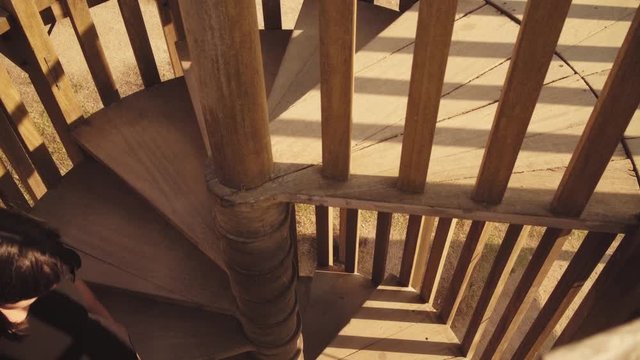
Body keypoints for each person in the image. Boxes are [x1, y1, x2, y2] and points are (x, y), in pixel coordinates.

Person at [0, 208, 139, 359]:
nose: (59, 280)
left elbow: (90, 301)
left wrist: (115, 328)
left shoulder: (49, 273)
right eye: (47, 284)